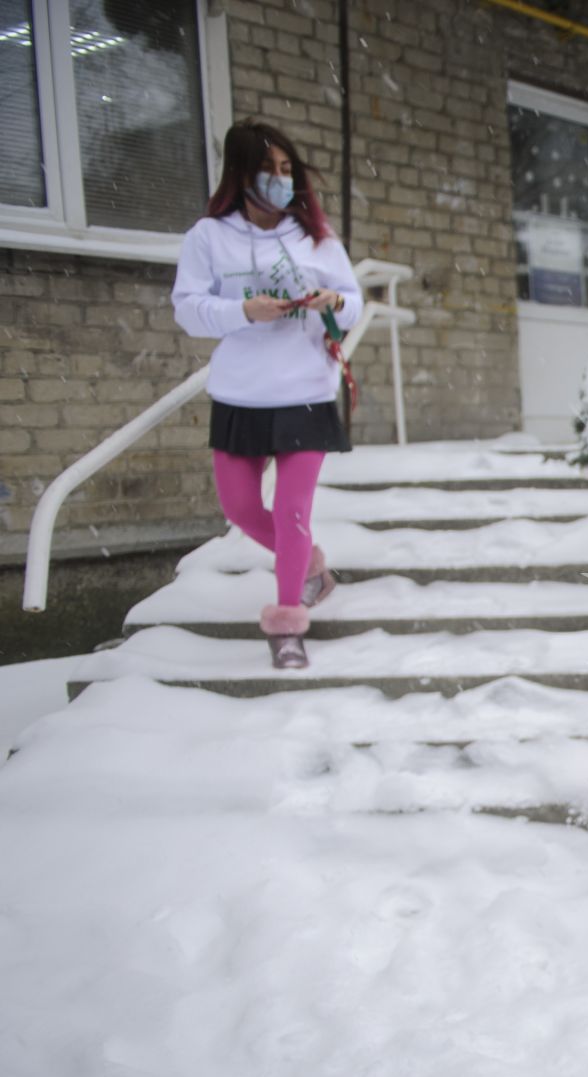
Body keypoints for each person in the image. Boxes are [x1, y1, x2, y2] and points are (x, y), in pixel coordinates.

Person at [172, 120, 361, 670]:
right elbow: (187, 308)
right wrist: (241, 312)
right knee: (239, 507)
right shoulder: (208, 237)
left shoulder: (316, 238)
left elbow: (352, 305)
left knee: (291, 511)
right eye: (268, 170)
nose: (279, 181)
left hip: (304, 390)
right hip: (239, 393)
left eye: (286, 171)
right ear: (240, 173)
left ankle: (287, 625)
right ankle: (310, 568)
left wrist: (331, 300)